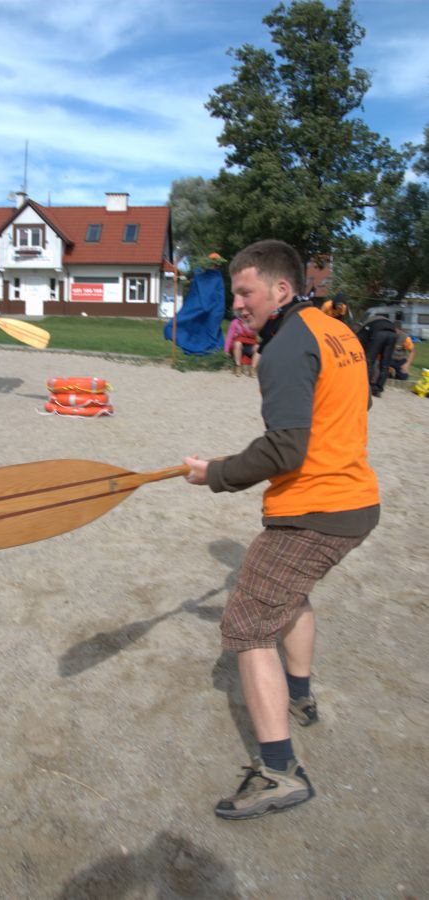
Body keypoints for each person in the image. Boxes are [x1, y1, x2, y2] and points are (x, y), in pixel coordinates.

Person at [183, 239, 379, 820]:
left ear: (281, 290)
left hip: (316, 511)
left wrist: (216, 472)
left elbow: (286, 449)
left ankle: (279, 772)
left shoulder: (287, 346)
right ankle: (300, 697)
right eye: (235, 293)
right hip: (355, 501)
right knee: (290, 596)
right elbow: (348, 408)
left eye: (245, 293)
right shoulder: (334, 329)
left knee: (245, 625)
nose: (237, 304)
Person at [357, 312, 397, 397]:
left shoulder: (368, 322)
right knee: (385, 364)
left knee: (369, 361)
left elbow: (360, 339)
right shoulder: (386, 321)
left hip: (379, 334)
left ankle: (366, 386)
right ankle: (378, 388)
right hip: (393, 334)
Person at [223, 298, 260, 375]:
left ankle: (253, 368)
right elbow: (229, 336)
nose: (245, 312)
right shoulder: (235, 322)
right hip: (238, 347)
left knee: (258, 347)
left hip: (250, 346)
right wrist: (226, 349)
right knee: (238, 343)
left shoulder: (254, 322)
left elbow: (256, 335)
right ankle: (238, 366)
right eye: (242, 310)